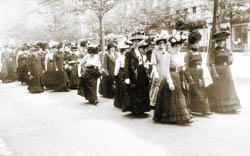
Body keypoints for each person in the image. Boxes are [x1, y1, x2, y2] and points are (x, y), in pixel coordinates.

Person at [153, 33, 193, 124]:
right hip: (170, 77)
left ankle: (183, 116)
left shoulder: (179, 56)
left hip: (177, 76)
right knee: (171, 98)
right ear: (172, 47)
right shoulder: (168, 56)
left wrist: (183, 68)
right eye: (176, 47)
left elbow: (181, 65)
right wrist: (170, 82)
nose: (178, 48)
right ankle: (174, 117)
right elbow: (165, 69)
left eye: (179, 46)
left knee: (179, 96)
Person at [207, 28, 241, 114]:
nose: (221, 43)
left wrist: (231, 58)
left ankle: (230, 107)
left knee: (228, 88)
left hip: (227, 71)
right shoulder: (213, 51)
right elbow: (212, 63)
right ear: (216, 42)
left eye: (223, 41)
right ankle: (221, 107)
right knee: (220, 89)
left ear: (225, 41)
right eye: (219, 41)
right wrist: (214, 73)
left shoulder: (227, 50)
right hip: (218, 71)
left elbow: (229, 62)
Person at [123, 30, 151, 116]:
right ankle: (135, 110)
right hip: (133, 74)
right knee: (134, 92)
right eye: (134, 41)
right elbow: (126, 66)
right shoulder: (129, 53)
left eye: (137, 41)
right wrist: (127, 77)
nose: (136, 43)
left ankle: (141, 109)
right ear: (132, 42)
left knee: (142, 91)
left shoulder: (140, 51)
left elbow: (142, 62)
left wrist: (145, 66)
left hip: (141, 73)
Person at [184, 30, 212, 116]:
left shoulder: (199, 53)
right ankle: (195, 110)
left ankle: (204, 109)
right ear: (191, 44)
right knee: (195, 92)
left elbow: (201, 64)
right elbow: (186, 67)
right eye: (195, 43)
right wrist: (189, 77)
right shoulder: (188, 54)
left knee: (202, 91)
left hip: (199, 74)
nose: (197, 45)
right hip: (192, 74)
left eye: (198, 43)